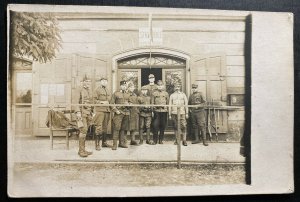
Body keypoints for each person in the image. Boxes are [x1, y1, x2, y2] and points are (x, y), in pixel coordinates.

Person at [73, 75, 93, 157]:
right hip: (81, 113)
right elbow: (75, 102)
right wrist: (78, 112)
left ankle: (83, 149)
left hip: (88, 113)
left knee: (85, 131)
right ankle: (81, 151)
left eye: (89, 81)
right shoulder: (79, 89)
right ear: (83, 82)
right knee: (83, 131)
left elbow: (91, 102)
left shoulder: (89, 90)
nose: (88, 83)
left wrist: (92, 112)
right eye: (87, 81)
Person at [93, 76, 112, 150]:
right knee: (99, 127)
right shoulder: (97, 90)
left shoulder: (108, 90)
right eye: (103, 81)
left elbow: (110, 100)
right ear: (100, 82)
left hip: (107, 111)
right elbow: (94, 101)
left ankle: (104, 143)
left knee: (105, 127)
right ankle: (97, 145)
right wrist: (102, 102)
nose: (104, 82)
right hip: (100, 111)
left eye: (105, 81)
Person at [110, 80, 131, 150]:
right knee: (116, 128)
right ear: (120, 86)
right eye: (123, 85)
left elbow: (131, 103)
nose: (124, 87)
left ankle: (121, 143)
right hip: (119, 113)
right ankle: (114, 144)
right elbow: (111, 103)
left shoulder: (128, 94)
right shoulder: (116, 93)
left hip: (126, 113)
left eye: (125, 86)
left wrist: (129, 105)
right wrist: (116, 110)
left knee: (123, 129)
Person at [152, 80, 169, 144]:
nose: (160, 86)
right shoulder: (154, 93)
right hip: (156, 111)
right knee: (155, 125)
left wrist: (167, 109)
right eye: (158, 85)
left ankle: (161, 140)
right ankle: (154, 140)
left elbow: (168, 103)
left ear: (163, 86)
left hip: (164, 111)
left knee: (163, 125)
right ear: (157, 86)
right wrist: (153, 110)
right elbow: (152, 103)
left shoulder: (166, 93)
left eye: (161, 85)